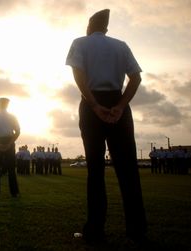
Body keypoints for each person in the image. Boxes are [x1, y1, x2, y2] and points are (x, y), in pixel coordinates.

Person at [66, 9, 147, 244]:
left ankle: (95, 230)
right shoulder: (120, 45)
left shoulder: (80, 43)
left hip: (92, 105)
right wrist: (120, 106)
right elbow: (136, 78)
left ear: (89, 26)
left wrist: (93, 105)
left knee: (95, 169)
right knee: (128, 169)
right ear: (107, 28)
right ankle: (137, 229)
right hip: (117, 103)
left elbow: (78, 76)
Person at [0, 97, 20, 198]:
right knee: (10, 169)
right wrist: (10, 144)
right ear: (7, 105)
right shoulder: (12, 116)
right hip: (8, 141)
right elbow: (17, 132)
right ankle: (14, 193)